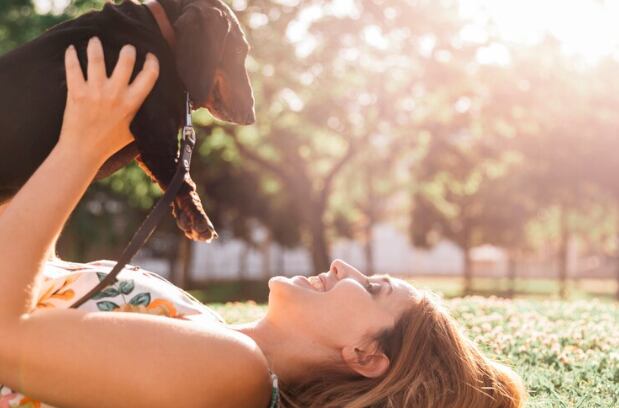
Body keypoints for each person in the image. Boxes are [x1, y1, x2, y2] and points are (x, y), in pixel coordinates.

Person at [0, 38, 526, 408]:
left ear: (366, 356)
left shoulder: (238, 373)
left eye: (372, 288)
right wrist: (105, 137)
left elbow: (6, 339)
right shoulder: (210, 336)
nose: (344, 266)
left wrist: (83, 146)